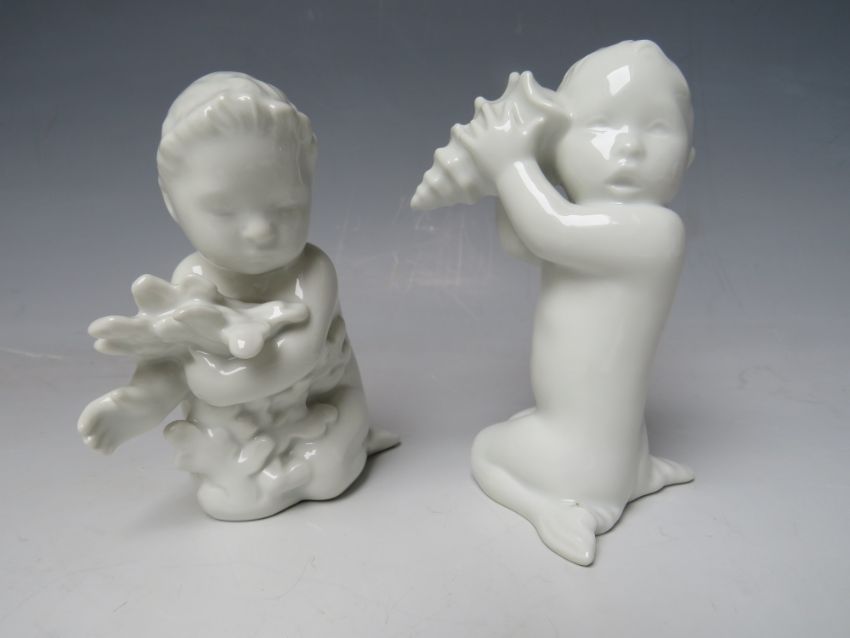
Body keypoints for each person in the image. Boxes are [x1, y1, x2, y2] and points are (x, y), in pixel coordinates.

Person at [78, 72, 397, 520]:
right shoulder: (191, 278)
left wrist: (202, 374)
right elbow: (167, 360)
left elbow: (294, 361)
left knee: (327, 475)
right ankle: (270, 472)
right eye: (224, 211)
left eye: (286, 207)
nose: (260, 231)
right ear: (172, 202)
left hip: (324, 404)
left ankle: (350, 445)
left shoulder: (313, 272)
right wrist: (141, 407)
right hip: (240, 423)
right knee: (230, 499)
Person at [457, 41, 695, 564]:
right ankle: (635, 471)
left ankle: (554, 508)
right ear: (561, 145)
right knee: (551, 422)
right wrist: (521, 171)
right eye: (602, 126)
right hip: (620, 444)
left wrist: (511, 163)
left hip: (581, 465)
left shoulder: (656, 231)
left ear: (689, 159)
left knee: (487, 448)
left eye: (657, 128)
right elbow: (521, 241)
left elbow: (548, 229)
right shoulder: (593, 225)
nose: (629, 146)